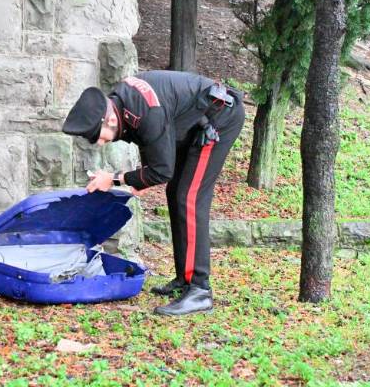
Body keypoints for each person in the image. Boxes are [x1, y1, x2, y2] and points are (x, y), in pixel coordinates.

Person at [62, 70, 245, 316]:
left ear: (110, 120)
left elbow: (161, 170)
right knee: (176, 194)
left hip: (220, 118)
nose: (102, 144)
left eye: (100, 138)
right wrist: (142, 179)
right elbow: (151, 142)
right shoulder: (124, 103)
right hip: (196, 121)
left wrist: (115, 179)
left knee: (189, 197)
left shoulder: (145, 111)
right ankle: (185, 279)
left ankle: (200, 290)